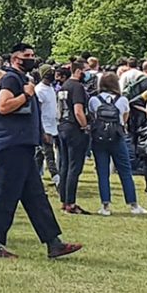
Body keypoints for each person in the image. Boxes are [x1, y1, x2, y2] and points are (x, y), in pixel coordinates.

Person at [0, 43, 81, 260]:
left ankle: (53, 243)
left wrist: (40, 132)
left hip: (23, 146)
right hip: (11, 147)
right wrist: (26, 96)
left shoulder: (22, 80)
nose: (32, 59)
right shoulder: (11, 79)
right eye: (27, 55)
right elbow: (3, 106)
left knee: (36, 197)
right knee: (5, 197)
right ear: (16, 58)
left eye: (33, 55)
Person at [88, 72, 147, 217]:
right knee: (125, 171)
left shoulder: (94, 100)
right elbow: (125, 118)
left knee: (103, 172)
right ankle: (133, 204)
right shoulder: (123, 100)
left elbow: (92, 116)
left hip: (99, 138)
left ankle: (105, 205)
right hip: (117, 137)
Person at [57, 60, 91, 214]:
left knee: (64, 165)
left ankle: (64, 200)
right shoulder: (77, 87)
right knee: (74, 167)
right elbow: (78, 110)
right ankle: (70, 202)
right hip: (74, 128)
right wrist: (85, 126)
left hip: (63, 126)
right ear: (78, 71)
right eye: (86, 70)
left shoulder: (64, 86)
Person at [34, 64, 59, 187]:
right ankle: (56, 178)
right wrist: (43, 131)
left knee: (39, 156)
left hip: (53, 126)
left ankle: (35, 179)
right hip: (45, 127)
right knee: (49, 155)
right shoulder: (39, 90)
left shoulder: (51, 88)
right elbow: (37, 112)